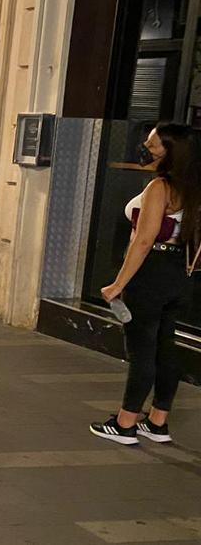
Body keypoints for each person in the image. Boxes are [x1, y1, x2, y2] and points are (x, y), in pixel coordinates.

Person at [91, 123, 198, 446]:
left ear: (169, 152)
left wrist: (118, 283)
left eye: (152, 146)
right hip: (183, 274)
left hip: (151, 274)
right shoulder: (194, 187)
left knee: (142, 351)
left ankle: (125, 423)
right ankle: (158, 421)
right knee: (166, 347)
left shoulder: (160, 188)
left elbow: (143, 241)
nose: (145, 148)